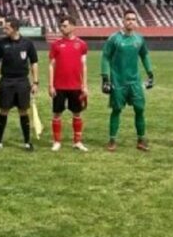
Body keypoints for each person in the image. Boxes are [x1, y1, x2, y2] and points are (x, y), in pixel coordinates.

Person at [100, 9, 154, 151]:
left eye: (133, 19)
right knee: (117, 110)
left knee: (140, 109)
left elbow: (145, 55)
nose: (131, 21)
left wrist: (150, 73)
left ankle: (141, 140)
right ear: (123, 21)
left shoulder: (139, 39)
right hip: (118, 81)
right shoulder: (114, 39)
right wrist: (105, 78)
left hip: (135, 81)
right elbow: (105, 57)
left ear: (136, 22)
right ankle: (112, 141)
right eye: (128, 19)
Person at [0, 17, 39, 151]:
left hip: (22, 82)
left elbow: (34, 63)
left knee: (23, 111)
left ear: (15, 28)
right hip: (6, 81)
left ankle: (27, 142)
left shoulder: (27, 43)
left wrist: (35, 82)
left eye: (7, 28)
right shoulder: (2, 43)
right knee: (3, 110)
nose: (4, 30)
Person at [49, 15, 89, 152]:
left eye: (65, 25)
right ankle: (56, 142)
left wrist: (85, 85)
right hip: (59, 86)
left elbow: (84, 65)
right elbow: (51, 65)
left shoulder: (82, 44)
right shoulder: (56, 44)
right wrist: (51, 85)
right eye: (61, 26)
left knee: (77, 114)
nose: (62, 28)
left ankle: (77, 142)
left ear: (73, 26)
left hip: (76, 86)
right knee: (57, 114)